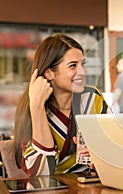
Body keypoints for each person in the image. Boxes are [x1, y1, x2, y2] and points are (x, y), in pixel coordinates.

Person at [14, 34, 108, 176]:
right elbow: (41, 173)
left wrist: (101, 157)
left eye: (83, 64)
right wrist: (37, 106)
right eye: (73, 66)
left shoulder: (93, 98)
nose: (82, 72)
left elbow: (114, 150)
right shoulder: (32, 109)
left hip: (90, 185)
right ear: (50, 73)